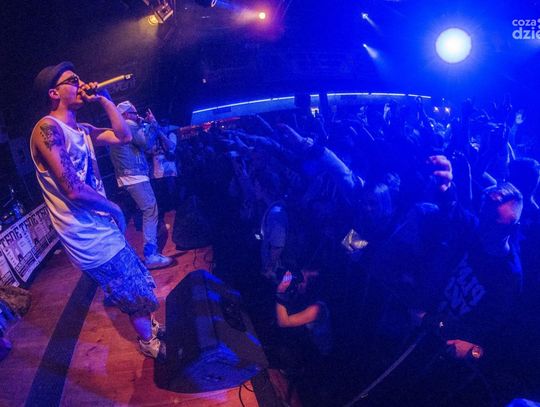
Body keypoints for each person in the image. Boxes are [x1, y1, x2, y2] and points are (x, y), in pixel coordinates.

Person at [30, 62, 164, 359]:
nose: (81, 84)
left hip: (101, 227)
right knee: (132, 289)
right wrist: (114, 208)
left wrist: (104, 98)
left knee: (136, 279)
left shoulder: (82, 129)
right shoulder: (47, 128)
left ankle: (150, 328)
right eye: (73, 80)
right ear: (54, 92)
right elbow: (72, 188)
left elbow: (124, 137)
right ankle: (148, 342)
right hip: (86, 235)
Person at [109, 101, 173, 270]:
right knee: (150, 209)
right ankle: (151, 256)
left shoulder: (120, 127)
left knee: (136, 213)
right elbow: (147, 143)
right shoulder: (128, 125)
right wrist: (152, 124)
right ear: (125, 115)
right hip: (135, 176)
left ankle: (125, 256)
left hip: (127, 176)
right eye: (134, 113)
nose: (137, 116)